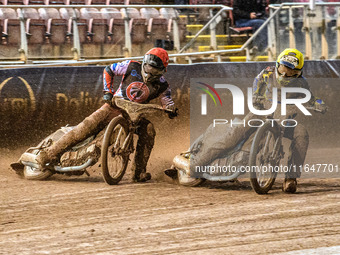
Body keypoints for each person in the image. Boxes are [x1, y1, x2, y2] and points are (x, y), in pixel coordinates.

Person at [191, 48, 327, 193]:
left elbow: (311, 98)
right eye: (283, 69)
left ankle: (290, 179)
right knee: (232, 136)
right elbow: (257, 83)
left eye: (292, 72)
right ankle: (195, 165)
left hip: (284, 119)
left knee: (302, 134)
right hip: (261, 112)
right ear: (277, 65)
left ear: (299, 73)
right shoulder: (267, 73)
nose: (286, 74)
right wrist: (256, 98)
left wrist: (320, 104)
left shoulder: (302, 84)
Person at [36, 48, 176, 182]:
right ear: (144, 63)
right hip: (114, 106)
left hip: (135, 115)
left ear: (162, 71)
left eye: (155, 70)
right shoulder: (131, 66)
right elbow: (109, 69)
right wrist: (108, 91)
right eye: (149, 68)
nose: (150, 73)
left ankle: (139, 172)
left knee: (149, 130)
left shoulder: (163, 85)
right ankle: (49, 155)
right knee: (85, 127)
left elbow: (167, 101)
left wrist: (170, 109)